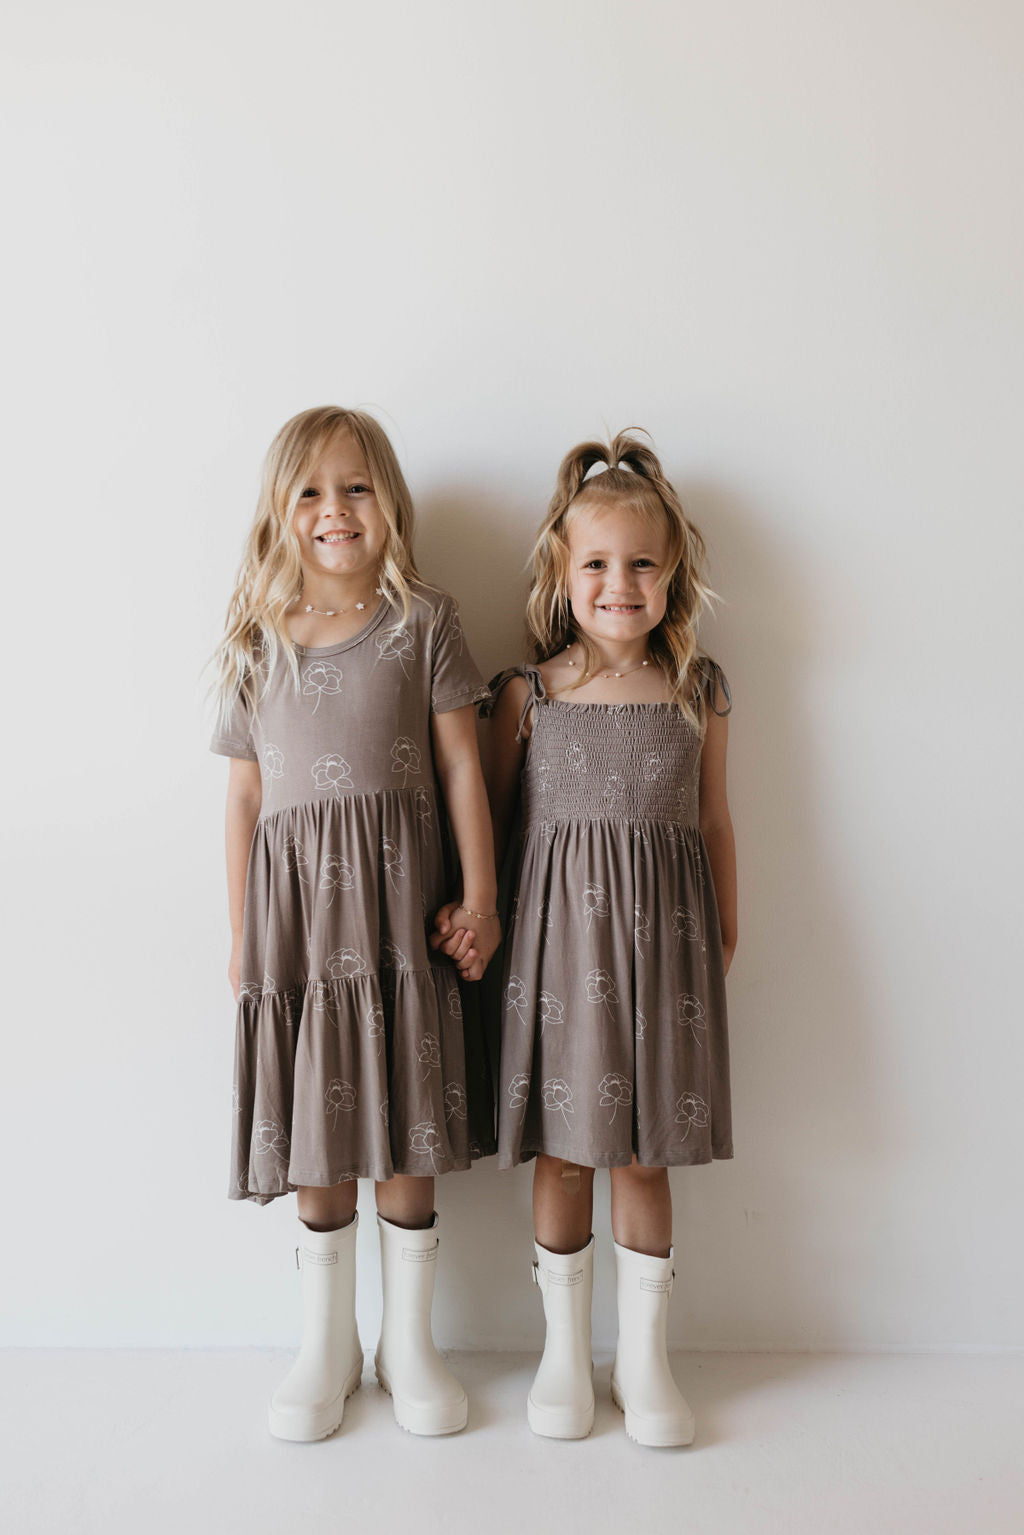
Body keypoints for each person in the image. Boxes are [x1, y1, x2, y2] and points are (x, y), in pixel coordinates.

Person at [210, 406, 500, 1442]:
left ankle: (407, 1346)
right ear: (280, 515)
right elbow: (244, 801)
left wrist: (482, 896)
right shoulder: (255, 642)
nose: (336, 510)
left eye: (357, 487)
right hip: (298, 937)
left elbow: (465, 764)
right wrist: (244, 934)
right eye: (311, 492)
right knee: (320, 1140)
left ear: (389, 504)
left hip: (395, 922)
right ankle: (326, 1346)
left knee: (408, 1115)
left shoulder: (425, 621)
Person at [468, 431, 736, 1447]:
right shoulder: (526, 698)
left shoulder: (696, 692)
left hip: (664, 969)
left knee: (641, 1157)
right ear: (560, 571)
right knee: (566, 1155)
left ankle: (646, 1360)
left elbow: (713, 825)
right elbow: (490, 835)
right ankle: (561, 1354)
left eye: (641, 563)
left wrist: (725, 928)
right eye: (595, 562)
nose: (619, 583)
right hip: (555, 972)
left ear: (672, 572)